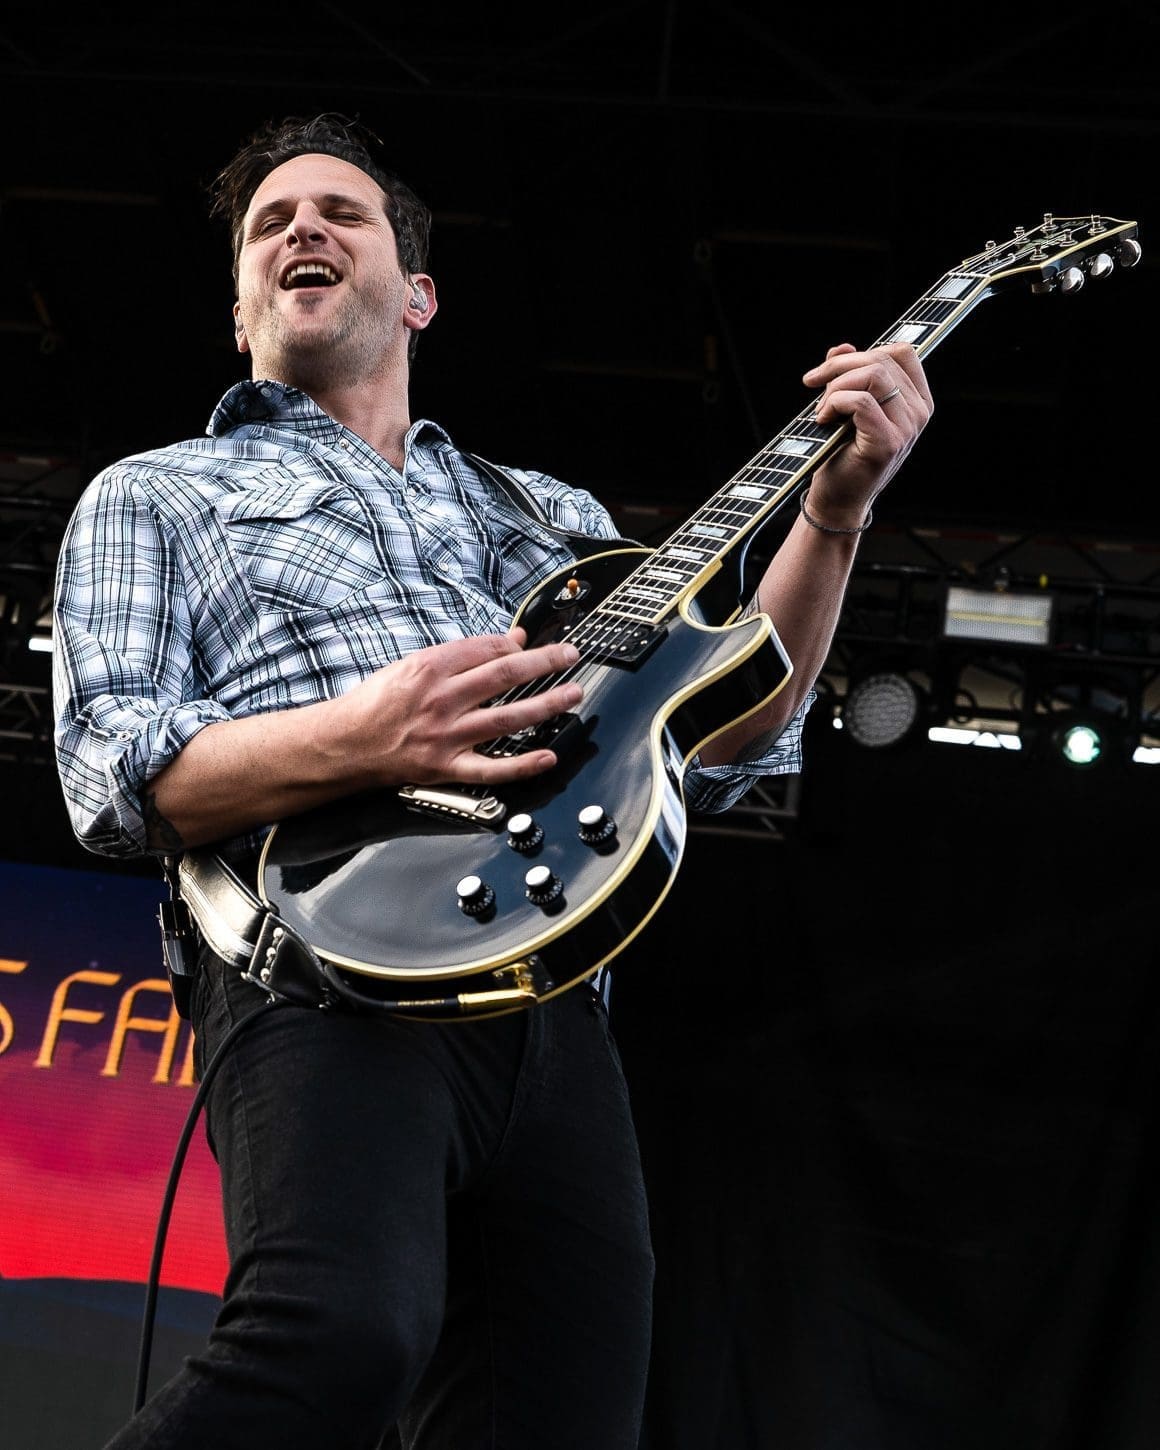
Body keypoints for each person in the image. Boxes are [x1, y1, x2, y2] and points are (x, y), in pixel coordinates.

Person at [51, 112, 933, 1449]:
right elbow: (111, 770)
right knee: (337, 1332)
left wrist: (835, 510)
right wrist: (365, 736)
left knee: (560, 1418)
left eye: (342, 214)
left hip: (555, 1000)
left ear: (418, 293)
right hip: (327, 964)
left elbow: (726, 734)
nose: (303, 229)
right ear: (240, 313)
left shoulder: (549, 514)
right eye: (270, 224)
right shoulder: (157, 494)